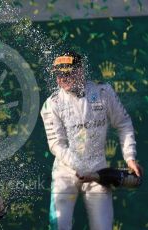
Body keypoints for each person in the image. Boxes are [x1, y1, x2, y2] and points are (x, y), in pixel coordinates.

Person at [40, 50, 143, 230]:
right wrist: (80, 166)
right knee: (59, 226)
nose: (61, 78)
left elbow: (124, 123)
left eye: (67, 73)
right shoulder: (52, 103)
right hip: (65, 173)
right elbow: (57, 144)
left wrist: (130, 157)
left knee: (103, 227)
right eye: (58, 74)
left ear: (80, 71)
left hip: (98, 169)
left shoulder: (103, 91)